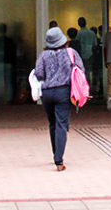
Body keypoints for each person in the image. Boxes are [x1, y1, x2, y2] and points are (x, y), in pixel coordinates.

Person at [33, 26, 82, 171]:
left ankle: (56, 154)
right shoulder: (71, 53)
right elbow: (80, 70)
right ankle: (59, 160)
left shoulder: (43, 55)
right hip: (63, 92)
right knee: (61, 124)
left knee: (52, 124)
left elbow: (39, 73)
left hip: (47, 93)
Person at [74, 17, 97, 86]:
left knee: (83, 71)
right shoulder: (92, 33)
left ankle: (85, 85)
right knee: (91, 71)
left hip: (82, 55)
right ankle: (91, 85)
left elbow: (77, 44)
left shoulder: (79, 33)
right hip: (91, 54)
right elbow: (95, 45)